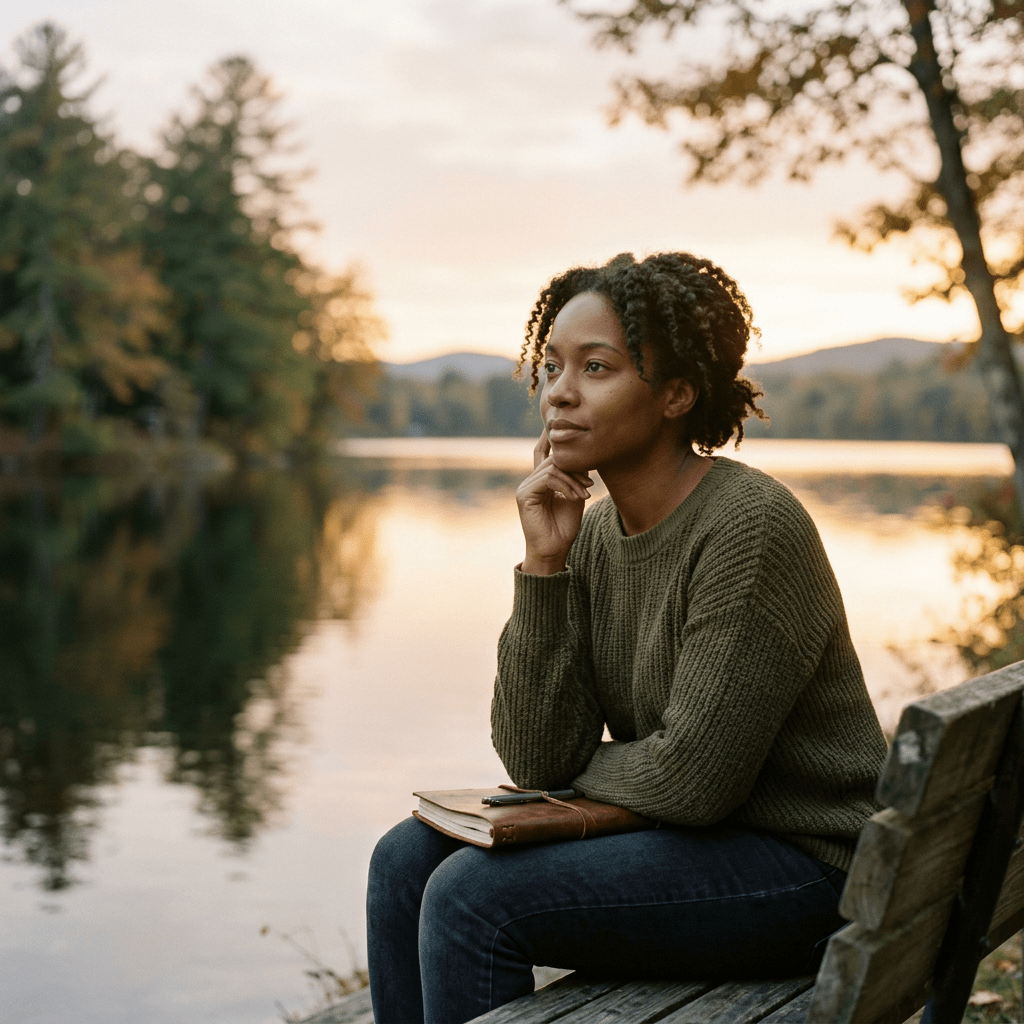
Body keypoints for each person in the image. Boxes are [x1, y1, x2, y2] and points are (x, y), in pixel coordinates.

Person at [365, 251, 887, 1024]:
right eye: (551, 365)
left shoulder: (749, 527)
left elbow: (692, 783)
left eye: (597, 367)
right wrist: (545, 563)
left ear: (676, 394)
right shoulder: (597, 534)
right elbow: (539, 760)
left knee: (475, 900)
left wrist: (588, 775)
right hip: (704, 846)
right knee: (404, 860)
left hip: (813, 873)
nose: (558, 393)